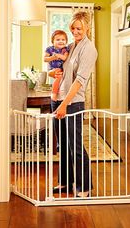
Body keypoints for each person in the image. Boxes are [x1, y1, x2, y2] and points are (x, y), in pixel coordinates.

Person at [50, 11, 98, 198]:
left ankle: (84, 186)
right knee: (62, 144)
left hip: (73, 103)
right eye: (73, 28)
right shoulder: (69, 46)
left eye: (79, 28)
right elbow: (60, 68)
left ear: (87, 27)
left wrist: (64, 105)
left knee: (75, 145)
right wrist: (53, 74)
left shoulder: (89, 49)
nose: (75, 31)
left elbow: (80, 80)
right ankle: (65, 182)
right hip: (58, 99)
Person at [44, 30, 69, 101]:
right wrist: (53, 57)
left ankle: (55, 91)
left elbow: (65, 58)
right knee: (58, 76)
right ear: (53, 41)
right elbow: (45, 59)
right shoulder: (50, 49)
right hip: (52, 68)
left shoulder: (65, 50)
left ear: (66, 41)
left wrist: (58, 55)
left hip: (61, 69)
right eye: (58, 40)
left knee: (59, 77)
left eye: (63, 39)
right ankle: (54, 93)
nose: (61, 41)